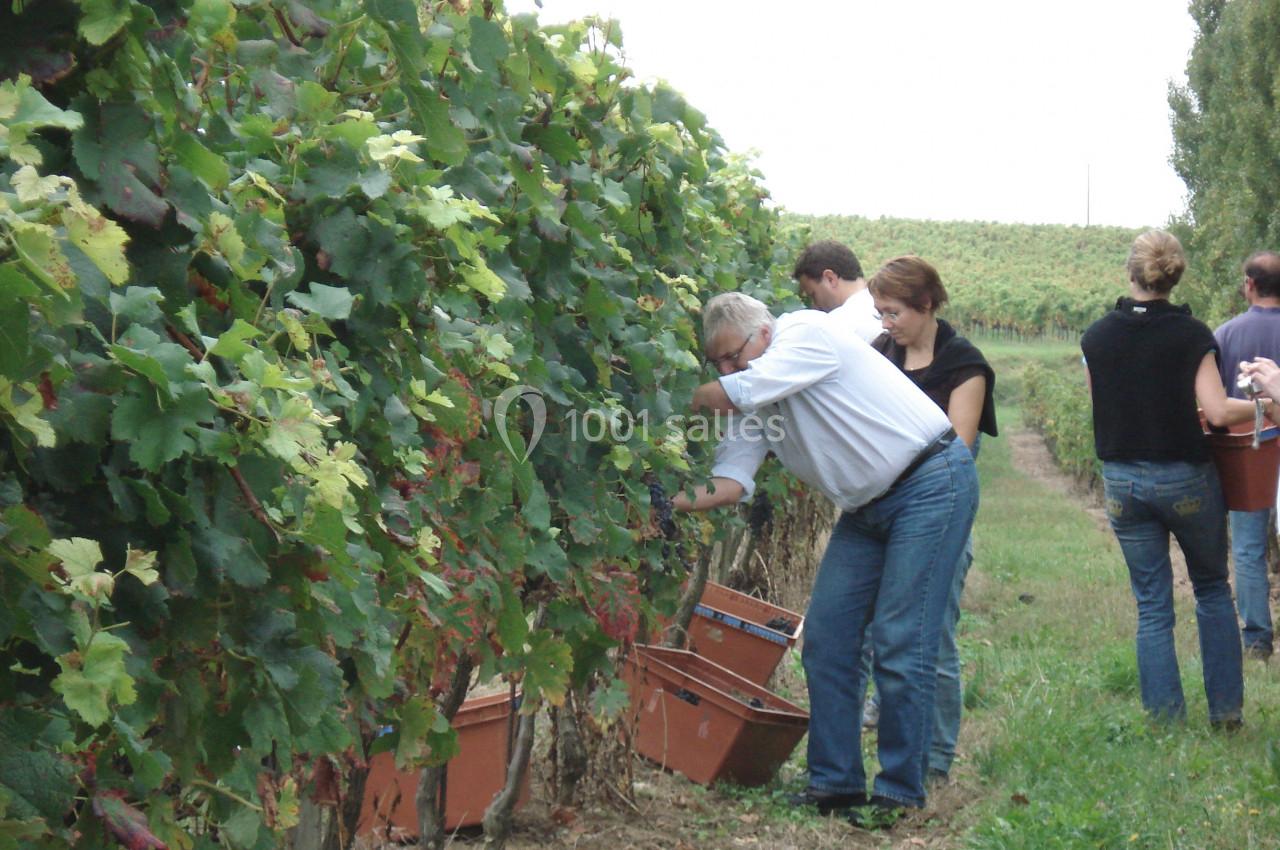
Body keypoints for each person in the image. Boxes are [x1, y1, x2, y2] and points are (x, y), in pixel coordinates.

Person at [674, 292, 978, 825]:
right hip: (866, 508)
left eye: (731, 356)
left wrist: (671, 400)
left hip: (929, 484)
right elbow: (730, 482)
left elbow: (736, 391)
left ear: (763, 333)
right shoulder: (755, 398)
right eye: (715, 363)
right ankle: (835, 784)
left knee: (900, 638)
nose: (725, 370)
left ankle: (900, 793)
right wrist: (661, 502)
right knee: (827, 639)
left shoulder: (804, 334)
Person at [1081, 230, 1257, 727]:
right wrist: (1266, 405)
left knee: (1152, 603)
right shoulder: (1191, 335)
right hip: (1184, 478)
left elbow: (1102, 404)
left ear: (1130, 272)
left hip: (1122, 481)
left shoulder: (1095, 337)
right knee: (1211, 588)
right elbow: (1218, 411)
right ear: (1175, 277)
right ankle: (1225, 712)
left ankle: (1165, 720)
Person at [867, 255, 997, 781]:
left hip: (938, 516)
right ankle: (892, 721)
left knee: (932, 635)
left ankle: (937, 759)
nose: (885, 322)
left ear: (925, 305)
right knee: (882, 630)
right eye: (879, 312)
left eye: (893, 312)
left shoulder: (964, 367)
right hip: (878, 509)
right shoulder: (880, 355)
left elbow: (957, 454)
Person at [1213, 251, 1280, 660]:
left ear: (1249, 284)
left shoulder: (1224, 335)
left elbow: (1215, 404)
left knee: (1248, 548)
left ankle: (1256, 640)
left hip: (1250, 452)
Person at [792, 240, 884, 343]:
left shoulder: (833, 327)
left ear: (830, 279)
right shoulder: (886, 309)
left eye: (813, 295)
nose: (814, 306)